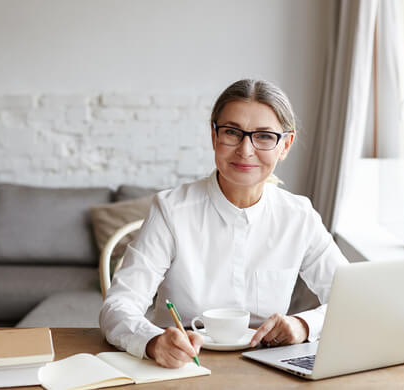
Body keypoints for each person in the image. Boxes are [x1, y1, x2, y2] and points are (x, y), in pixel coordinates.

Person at [100, 79, 349, 368]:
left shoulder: (299, 216)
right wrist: (153, 342)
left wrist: (304, 326)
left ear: (285, 145)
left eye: (264, 136)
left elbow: (353, 299)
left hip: (266, 371)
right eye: (232, 132)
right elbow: (117, 306)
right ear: (214, 136)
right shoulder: (171, 210)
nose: (245, 150)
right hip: (182, 368)